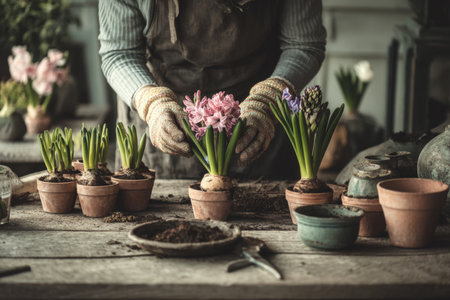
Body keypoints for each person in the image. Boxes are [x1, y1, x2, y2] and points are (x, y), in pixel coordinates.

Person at [99, 0, 326, 179]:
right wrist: (151, 102)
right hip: (164, 106)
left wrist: (270, 97)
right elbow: (120, 53)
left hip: (257, 110)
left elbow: (303, 45)